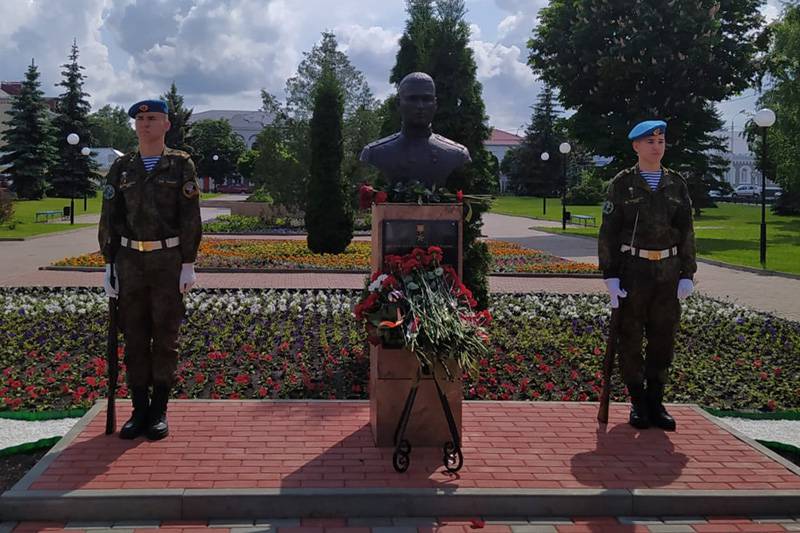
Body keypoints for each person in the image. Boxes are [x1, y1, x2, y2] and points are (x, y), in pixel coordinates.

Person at [98, 99, 202, 440]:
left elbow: (190, 217)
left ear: (166, 125)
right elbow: (110, 217)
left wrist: (188, 263)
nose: (144, 124)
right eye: (140, 119)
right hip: (130, 263)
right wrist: (109, 263)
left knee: (166, 339)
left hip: (167, 262)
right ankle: (138, 409)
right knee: (135, 339)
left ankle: (159, 410)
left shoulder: (180, 164)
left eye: (152, 118)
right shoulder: (122, 168)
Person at [597, 120, 696, 431]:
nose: (657, 146)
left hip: (668, 273)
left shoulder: (676, 183)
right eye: (650, 141)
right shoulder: (622, 184)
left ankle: (656, 400)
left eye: (661, 140)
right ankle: (638, 401)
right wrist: (610, 275)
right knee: (629, 338)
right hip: (634, 272)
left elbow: (687, 231)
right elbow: (609, 232)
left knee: (662, 340)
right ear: (636, 146)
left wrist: (687, 274)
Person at [360, 72, 470, 188]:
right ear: (398, 104)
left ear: (435, 104)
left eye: (427, 99)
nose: (420, 106)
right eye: (413, 99)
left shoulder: (456, 154)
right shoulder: (375, 153)